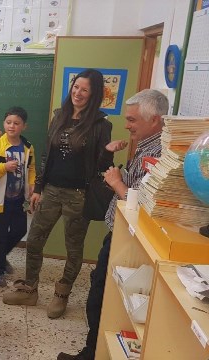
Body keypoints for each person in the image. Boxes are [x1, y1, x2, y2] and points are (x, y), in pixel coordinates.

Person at [57, 89, 168, 360]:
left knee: (99, 297)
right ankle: (93, 350)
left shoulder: (161, 153)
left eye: (132, 120)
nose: (127, 125)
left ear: (154, 120)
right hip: (118, 231)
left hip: (129, 238)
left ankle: (91, 354)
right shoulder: (145, 146)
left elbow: (144, 205)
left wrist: (118, 183)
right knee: (101, 292)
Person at [2, 69, 112, 319]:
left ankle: (62, 294)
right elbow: (46, 156)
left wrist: (109, 151)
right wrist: (38, 188)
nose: (78, 93)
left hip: (79, 195)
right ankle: (30, 289)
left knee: (73, 248)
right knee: (35, 241)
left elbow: (102, 165)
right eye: (76, 87)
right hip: (51, 190)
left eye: (85, 89)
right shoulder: (59, 116)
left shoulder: (100, 124)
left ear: (93, 94)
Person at [0, 107, 36, 287]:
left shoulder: (27, 146)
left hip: (18, 199)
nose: (12, 126)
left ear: (24, 126)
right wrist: (4, 168)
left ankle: (1, 257)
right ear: (4, 124)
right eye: (8, 122)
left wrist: (32, 186)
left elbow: (31, 168)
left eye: (16, 123)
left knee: (19, 230)